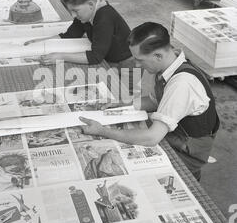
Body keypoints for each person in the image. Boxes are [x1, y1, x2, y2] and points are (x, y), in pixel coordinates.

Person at [79, 22, 220, 181]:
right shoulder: (169, 66)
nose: (137, 65)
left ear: (158, 55)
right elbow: (155, 100)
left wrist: (102, 131)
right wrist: (123, 103)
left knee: (122, 173)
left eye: (140, 60)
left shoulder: (182, 84)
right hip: (173, 136)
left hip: (187, 152)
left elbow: (151, 138)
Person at [39, 0, 136, 93]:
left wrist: (61, 56)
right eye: (71, 11)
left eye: (75, 11)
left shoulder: (104, 17)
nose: (73, 15)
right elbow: (70, 35)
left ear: (90, 4)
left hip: (126, 67)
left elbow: (95, 57)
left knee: (120, 97)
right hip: (108, 60)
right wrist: (41, 43)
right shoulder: (86, 15)